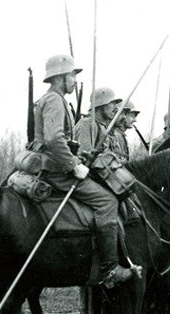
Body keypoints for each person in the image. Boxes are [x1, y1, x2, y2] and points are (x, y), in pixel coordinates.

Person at [32, 54, 133, 287]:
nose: (74, 81)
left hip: (55, 164)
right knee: (107, 201)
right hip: (57, 171)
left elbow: (62, 141)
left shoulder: (52, 99)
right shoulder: (55, 100)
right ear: (60, 77)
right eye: (71, 76)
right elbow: (55, 139)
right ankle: (109, 270)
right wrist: (73, 166)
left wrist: (80, 156)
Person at [74, 87, 123, 161]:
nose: (116, 108)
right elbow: (84, 158)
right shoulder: (87, 124)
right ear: (101, 104)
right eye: (112, 103)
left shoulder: (101, 126)